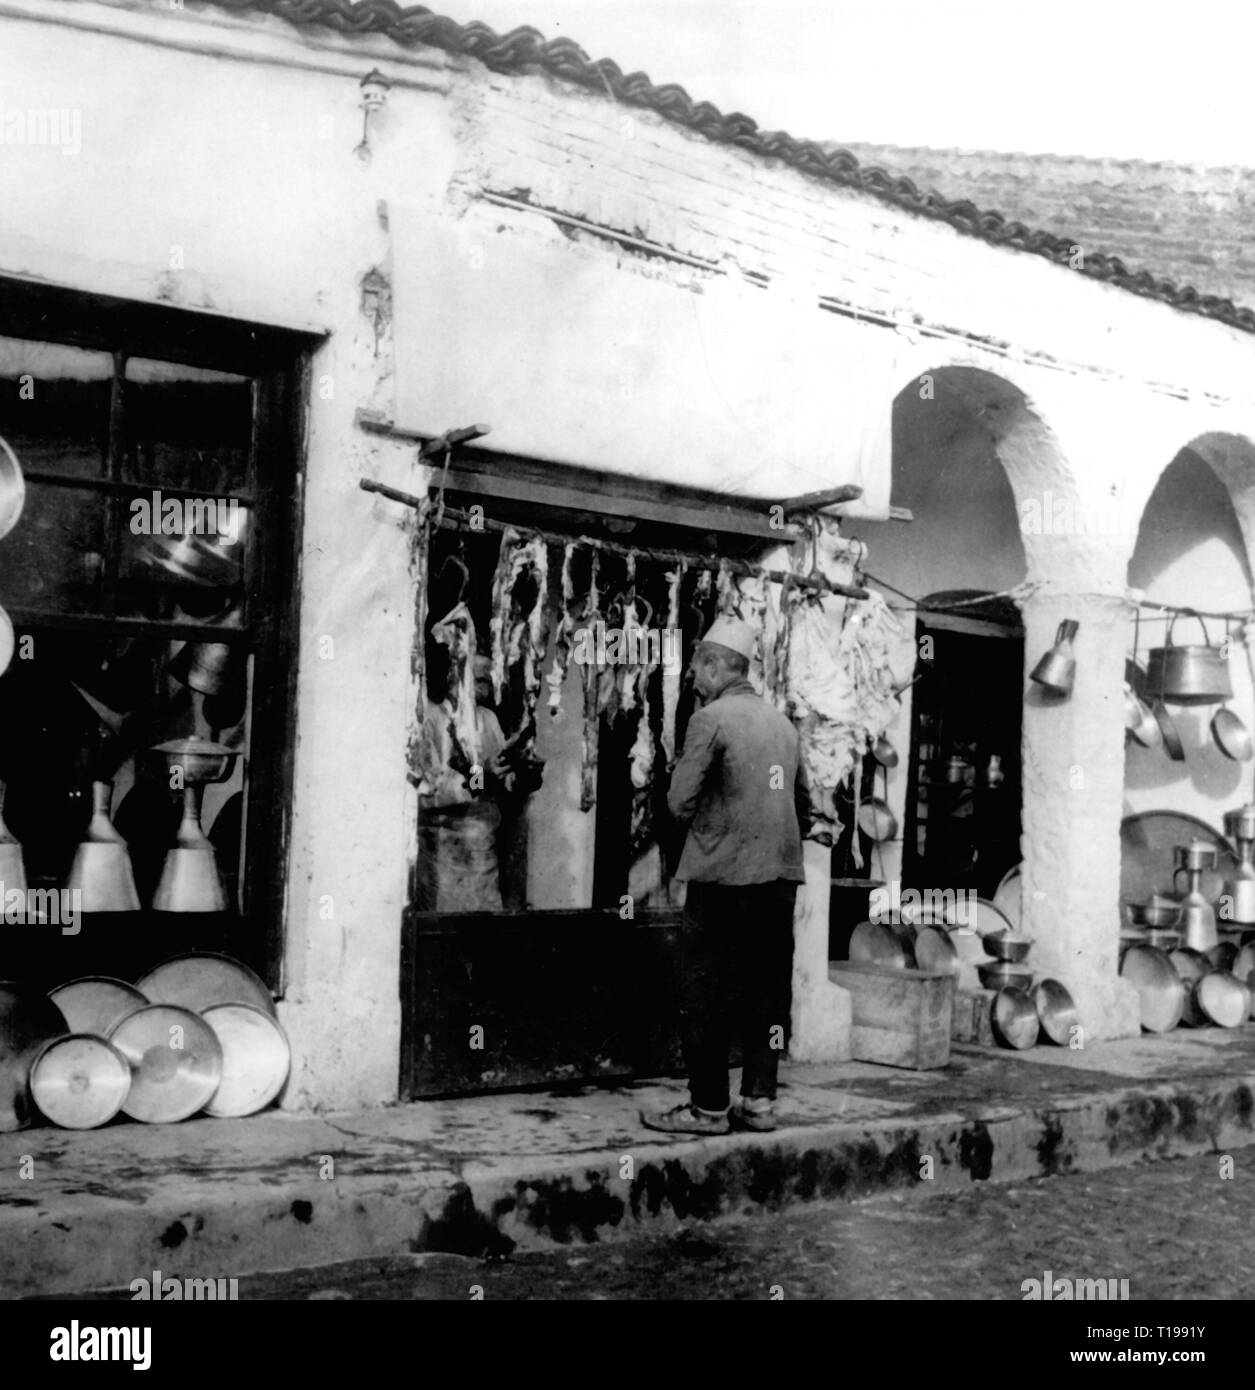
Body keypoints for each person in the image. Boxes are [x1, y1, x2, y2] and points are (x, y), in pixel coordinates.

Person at [642, 616, 809, 1136]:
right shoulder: (783, 724)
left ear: (715, 666)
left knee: (703, 990)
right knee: (766, 991)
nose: (692, 677)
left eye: (696, 667)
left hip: (722, 880)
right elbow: (803, 803)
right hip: (778, 880)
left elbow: (677, 802)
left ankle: (708, 1107)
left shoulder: (710, 719)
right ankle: (758, 1102)